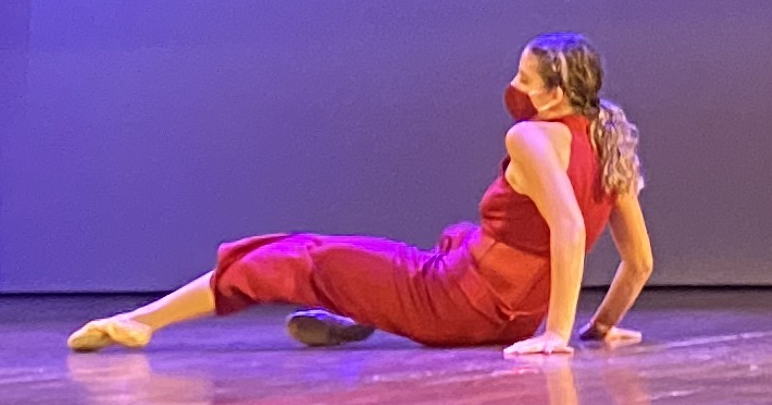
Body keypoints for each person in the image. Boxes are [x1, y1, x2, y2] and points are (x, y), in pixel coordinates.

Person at [67, 33, 654, 359]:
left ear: (554, 94)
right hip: (508, 317)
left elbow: (567, 229)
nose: (514, 86)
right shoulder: (608, 140)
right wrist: (598, 328)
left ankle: (141, 322)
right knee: (444, 242)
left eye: (524, 78)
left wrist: (557, 336)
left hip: (458, 305)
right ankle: (355, 313)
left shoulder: (530, 137)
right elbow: (640, 262)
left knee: (305, 254)